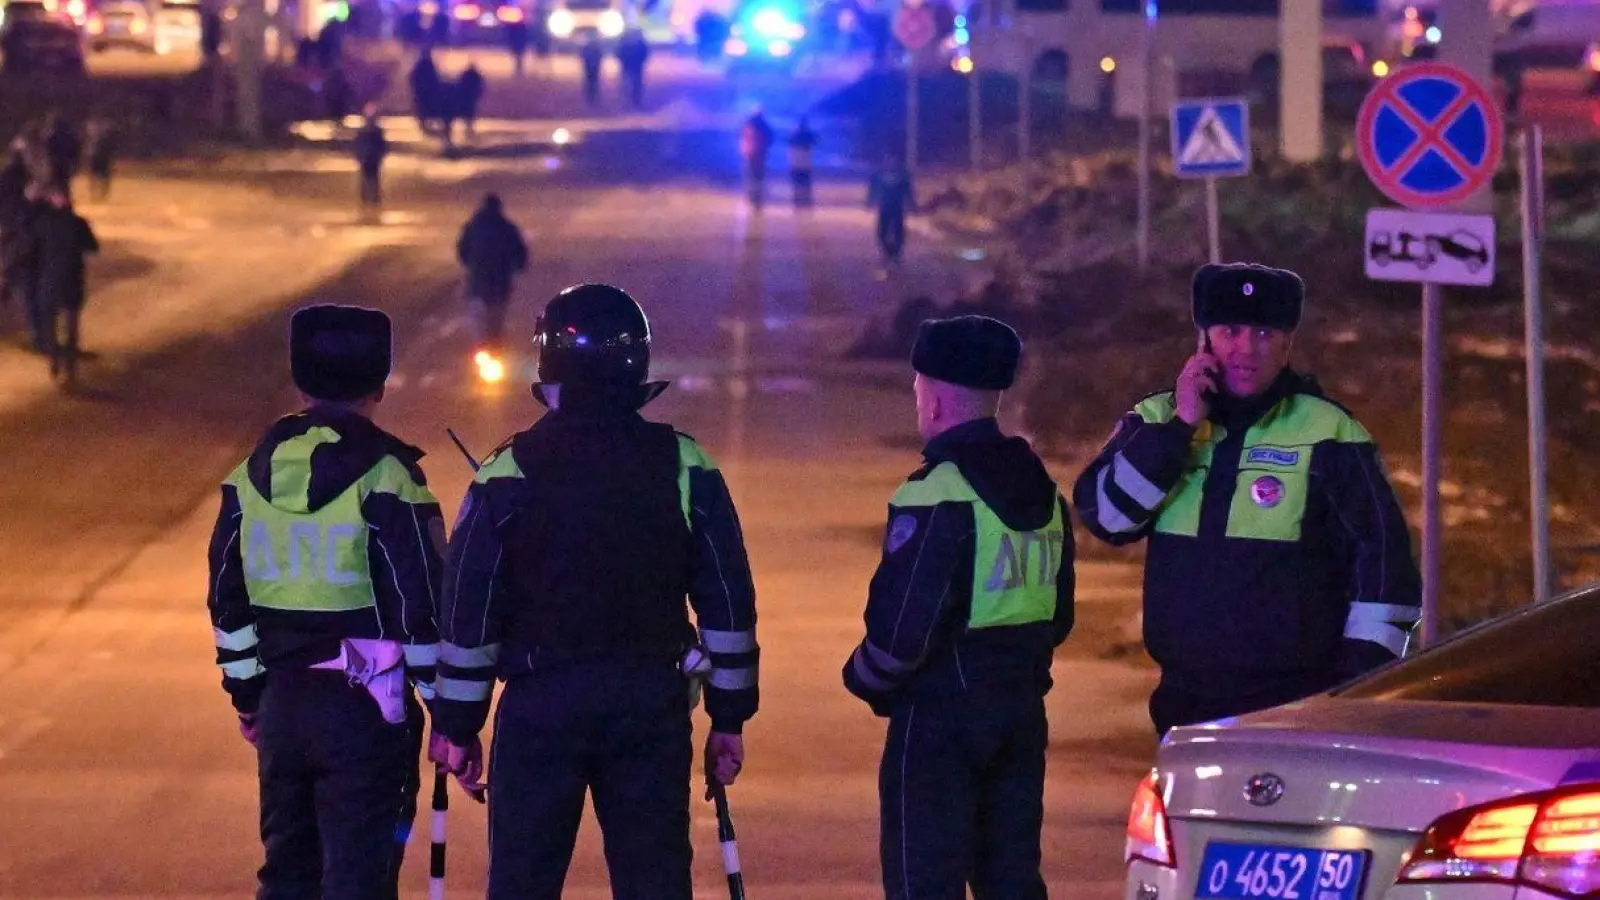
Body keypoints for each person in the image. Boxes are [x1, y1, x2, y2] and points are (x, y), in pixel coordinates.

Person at [431, 283, 759, 900]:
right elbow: (729, 604)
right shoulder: (686, 465)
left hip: (539, 706)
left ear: (548, 362)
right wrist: (729, 717)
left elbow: (468, 615)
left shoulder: (507, 472)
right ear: (639, 361)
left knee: (523, 884)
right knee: (655, 883)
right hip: (650, 707)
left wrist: (456, 723)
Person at [1073, 263, 1422, 737]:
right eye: (1230, 330)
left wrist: (1353, 688)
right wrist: (1180, 427)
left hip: (1296, 704)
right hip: (1183, 700)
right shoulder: (1157, 418)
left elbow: (1383, 568)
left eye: (1263, 332)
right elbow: (1108, 519)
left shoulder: (1330, 432)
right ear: (1204, 340)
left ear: (1286, 345)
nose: (1246, 348)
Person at [204, 304, 446, 900]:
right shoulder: (389, 477)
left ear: (299, 380)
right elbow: (420, 607)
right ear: (379, 384)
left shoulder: (248, 477)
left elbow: (226, 601)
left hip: (283, 705)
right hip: (368, 710)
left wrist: (248, 697)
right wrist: (451, 711)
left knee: (287, 875)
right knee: (360, 879)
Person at [843, 315, 1074, 900]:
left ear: (937, 398)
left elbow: (900, 633)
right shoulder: (1041, 488)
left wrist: (864, 679)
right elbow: (1060, 615)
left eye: (919, 387)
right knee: (1012, 878)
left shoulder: (939, 490)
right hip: (1020, 712)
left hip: (940, 719)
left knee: (925, 880)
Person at [31, 187, 96, 385]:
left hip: (49, 280)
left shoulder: (42, 224)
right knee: (71, 327)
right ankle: (70, 370)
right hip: (72, 280)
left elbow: (32, 252)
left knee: (49, 324)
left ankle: (53, 361)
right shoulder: (78, 223)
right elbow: (93, 247)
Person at [454, 193, 528, 352]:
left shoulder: (472, 227)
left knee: (479, 317)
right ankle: (496, 346)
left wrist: (472, 267)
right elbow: (520, 252)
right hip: (501, 282)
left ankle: (482, 346)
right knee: (498, 316)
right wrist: (518, 267)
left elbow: (462, 251)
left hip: (477, 282)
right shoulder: (507, 227)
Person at [867, 150, 916, 265]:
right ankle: (887, 252)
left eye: (893, 159)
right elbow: (872, 190)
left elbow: (908, 191)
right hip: (884, 206)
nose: (891, 161)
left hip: (897, 206)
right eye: (888, 159)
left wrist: (911, 204)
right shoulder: (878, 174)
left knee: (899, 230)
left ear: (897, 160)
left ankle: (896, 253)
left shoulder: (903, 175)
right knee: (882, 231)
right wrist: (870, 201)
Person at [352, 110, 388, 209]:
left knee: (372, 177)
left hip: (372, 156)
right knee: (368, 177)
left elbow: (382, 145)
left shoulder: (373, 131)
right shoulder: (366, 131)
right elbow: (358, 144)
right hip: (368, 156)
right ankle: (369, 196)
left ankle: (371, 196)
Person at [739, 109, 774, 209]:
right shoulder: (765, 125)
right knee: (759, 177)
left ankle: (750, 197)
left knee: (750, 176)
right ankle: (758, 199)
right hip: (761, 154)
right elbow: (771, 138)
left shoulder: (747, 125)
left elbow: (742, 137)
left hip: (749, 154)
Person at [615, 30, 649, 109]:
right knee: (631, 83)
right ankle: (632, 100)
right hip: (632, 66)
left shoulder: (628, 43)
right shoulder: (636, 43)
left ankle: (633, 100)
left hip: (634, 67)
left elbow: (644, 53)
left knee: (634, 84)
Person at [787, 116, 816, 208]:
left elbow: (788, 141)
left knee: (796, 181)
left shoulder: (793, 133)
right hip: (806, 160)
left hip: (795, 160)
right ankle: (806, 199)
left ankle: (796, 199)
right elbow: (815, 141)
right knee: (806, 181)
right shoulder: (808, 133)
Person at [85, 119, 116, 201]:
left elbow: (110, 150)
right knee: (96, 177)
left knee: (102, 177)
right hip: (98, 158)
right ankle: (97, 193)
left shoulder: (105, 139)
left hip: (102, 158)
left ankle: (101, 193)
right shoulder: (94, 139)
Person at [457, 62, 485, 139]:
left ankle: (468, 128)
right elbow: (480, 86)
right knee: (470, 113)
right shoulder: (475, 76)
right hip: (471, 97)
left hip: (467, 97)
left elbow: (461, 84)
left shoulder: (466, 75)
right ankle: (469, 128)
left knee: (468, 113)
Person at [580, 36, 605, 107]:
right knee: (593, 82)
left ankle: (591, 97)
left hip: (590, 70)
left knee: (591, 82)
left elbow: (584, 57)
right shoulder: (596, 49)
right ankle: (592, 97)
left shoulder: (587, 48)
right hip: (593, 69)